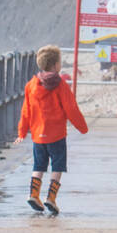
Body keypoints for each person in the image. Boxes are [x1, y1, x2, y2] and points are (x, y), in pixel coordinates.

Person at [17, 45, 88, 216]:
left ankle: (34, 195)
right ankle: (51, 198)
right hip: (56, 134)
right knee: (57, 166)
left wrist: (21, 132)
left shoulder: (31, 85)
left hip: (38, 136)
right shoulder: (61, 85)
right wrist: (82, 127)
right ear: (56, 65)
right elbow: (71, 108)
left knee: (38, 165)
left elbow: (26, 111)